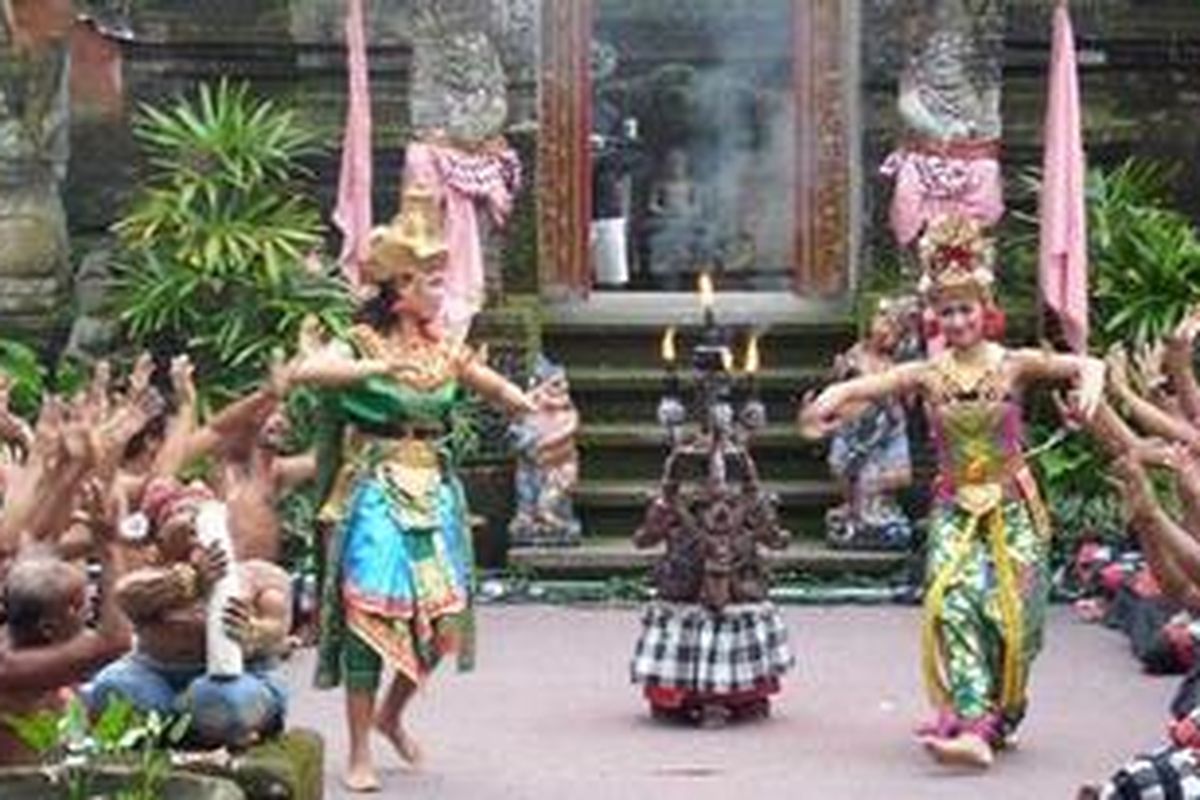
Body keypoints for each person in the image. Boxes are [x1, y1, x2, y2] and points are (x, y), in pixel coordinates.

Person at [290, 182, 571, 792]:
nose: (441, 293)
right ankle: (360, 749)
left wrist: (533, 404)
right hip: (376, 489)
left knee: (444, 623)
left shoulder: (445, 351)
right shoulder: (362, 343)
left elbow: (496, 387)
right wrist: (376, 368)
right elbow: (307, 371)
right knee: (372, 615)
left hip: (433, 491)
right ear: (399, 292)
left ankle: (393, 715)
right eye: (431, 283)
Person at [799, 215, 1104, 768]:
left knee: (1013, 619)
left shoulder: (1014, 365)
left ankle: (1000, 712)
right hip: (953, 505)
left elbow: (1088, 362)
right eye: (946, 311)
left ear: (984, 311)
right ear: (934, 317)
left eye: (966, 309)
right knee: (953, 601)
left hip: (1013, 504)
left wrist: (1090, 386)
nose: (957, 320)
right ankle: (972, 724)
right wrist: (827, 403)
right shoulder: (926, 373)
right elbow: (866, 385)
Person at [86, 476, 291, 750]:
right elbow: (128, 596)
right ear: (159, 540)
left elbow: (276, 627)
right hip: (154, 673)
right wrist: (191, 580)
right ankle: (170, 721)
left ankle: (214, 724)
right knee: (115, 689)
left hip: (234, 677)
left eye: (200, 512)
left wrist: (253, 632)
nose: (193, 521)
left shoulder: (258, 577)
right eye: (181, 512)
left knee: (222, 701)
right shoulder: (148, 578)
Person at [0, 504, 131, 764]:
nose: (90, 613)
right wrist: (108, 548)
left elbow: (31, 540)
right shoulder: (11, 669)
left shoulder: (30, 638)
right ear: (48, 627)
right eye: (80, 605)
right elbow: (116, 642)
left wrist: (67, 473)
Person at [823, 300, 915, 549]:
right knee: (842, 465)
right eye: (883, 324)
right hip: (856, 426)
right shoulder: (855, 355)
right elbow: (837, 389)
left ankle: (874, 509)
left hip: (889, 427)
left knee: (893, 475)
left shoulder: (898, 362)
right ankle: (854, 507)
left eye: (895, 330)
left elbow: (909, 398)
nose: (887, 332)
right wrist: (839, 375)